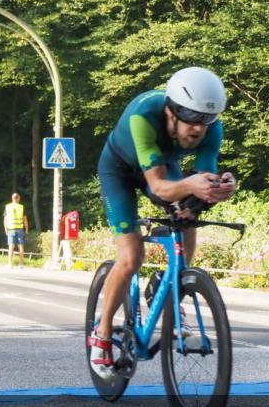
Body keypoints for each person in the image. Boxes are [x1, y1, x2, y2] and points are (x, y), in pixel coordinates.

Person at [90, 67, 237, 380]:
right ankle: (100, 335)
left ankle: (171, 281)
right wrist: (193, 186)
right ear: (171, 112)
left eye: (205, 121)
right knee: (131, 258)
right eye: (191, 119)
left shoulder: (213, 127)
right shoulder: (143, 115)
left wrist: (219, 188)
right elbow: (157, 187)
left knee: (190, 213)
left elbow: (205, 177)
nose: (198, 129)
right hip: (119, 170)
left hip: (160, 165)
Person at [3, 193, 29, 268]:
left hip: (11, 229)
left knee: (11, 246)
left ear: (12, 198)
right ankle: (21, 264)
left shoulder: (8, 207)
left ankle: (10, 264)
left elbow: (5, 220)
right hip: (20, 229)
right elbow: (25, 220)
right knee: (21, 246)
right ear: (18, 198)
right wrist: (26, 230)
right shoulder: (21, 207)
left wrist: (5, 230)